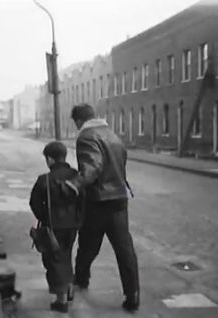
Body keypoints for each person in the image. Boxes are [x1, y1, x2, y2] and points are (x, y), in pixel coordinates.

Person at [65, 103, 140, 313]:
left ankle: (81, 279)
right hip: (119, 199)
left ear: (79, 121)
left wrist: (74, 184)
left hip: (98, 201)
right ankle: (132, 294)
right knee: (124, 249)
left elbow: (93, 167)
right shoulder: (112, 135)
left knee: (88, 245)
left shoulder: (86, 136)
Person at [29, 141, 83, 313]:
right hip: (72, 225)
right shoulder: (76, 176)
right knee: (66, 255)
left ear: (50, 159)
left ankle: (61, 300)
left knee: (54, 260)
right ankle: (69, 287)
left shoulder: (44, 179)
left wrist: (44, 218)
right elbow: (83, 201)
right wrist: (79, 220)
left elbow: (34, 203)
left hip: (53, 225)